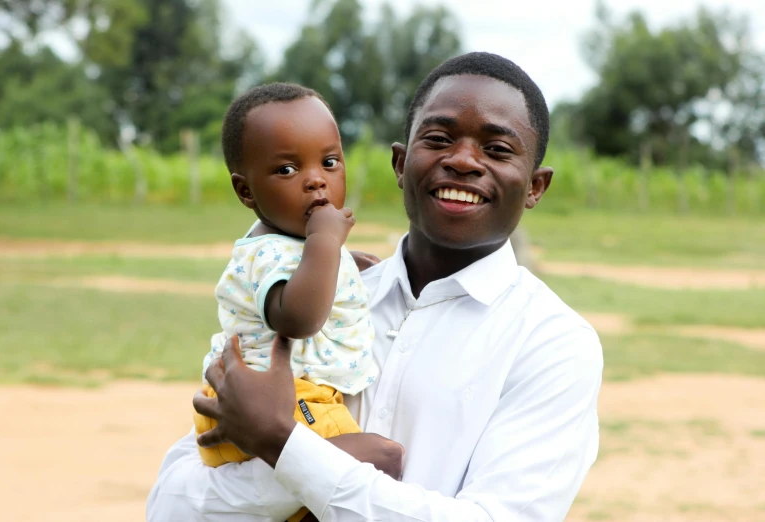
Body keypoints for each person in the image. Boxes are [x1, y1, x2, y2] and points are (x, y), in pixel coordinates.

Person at [147, 52, 603, 521]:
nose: (463, 160)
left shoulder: (554, 344)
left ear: (535, 187)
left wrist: (284, 447)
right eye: (439, 138)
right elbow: (173, 505)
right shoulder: (325, 297)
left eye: (498, 149)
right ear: (401, 163)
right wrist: (285, 455)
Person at [193, 82, 400, 521]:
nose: (315, 180)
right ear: (246, 192)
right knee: (380, 459)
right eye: (287, 170)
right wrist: (326, 243)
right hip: (272, 405)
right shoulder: (268, 252)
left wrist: (340, 261)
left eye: (329, 162)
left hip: (284, 401)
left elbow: (305, 271)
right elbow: (300, 317)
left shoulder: (291, 246)